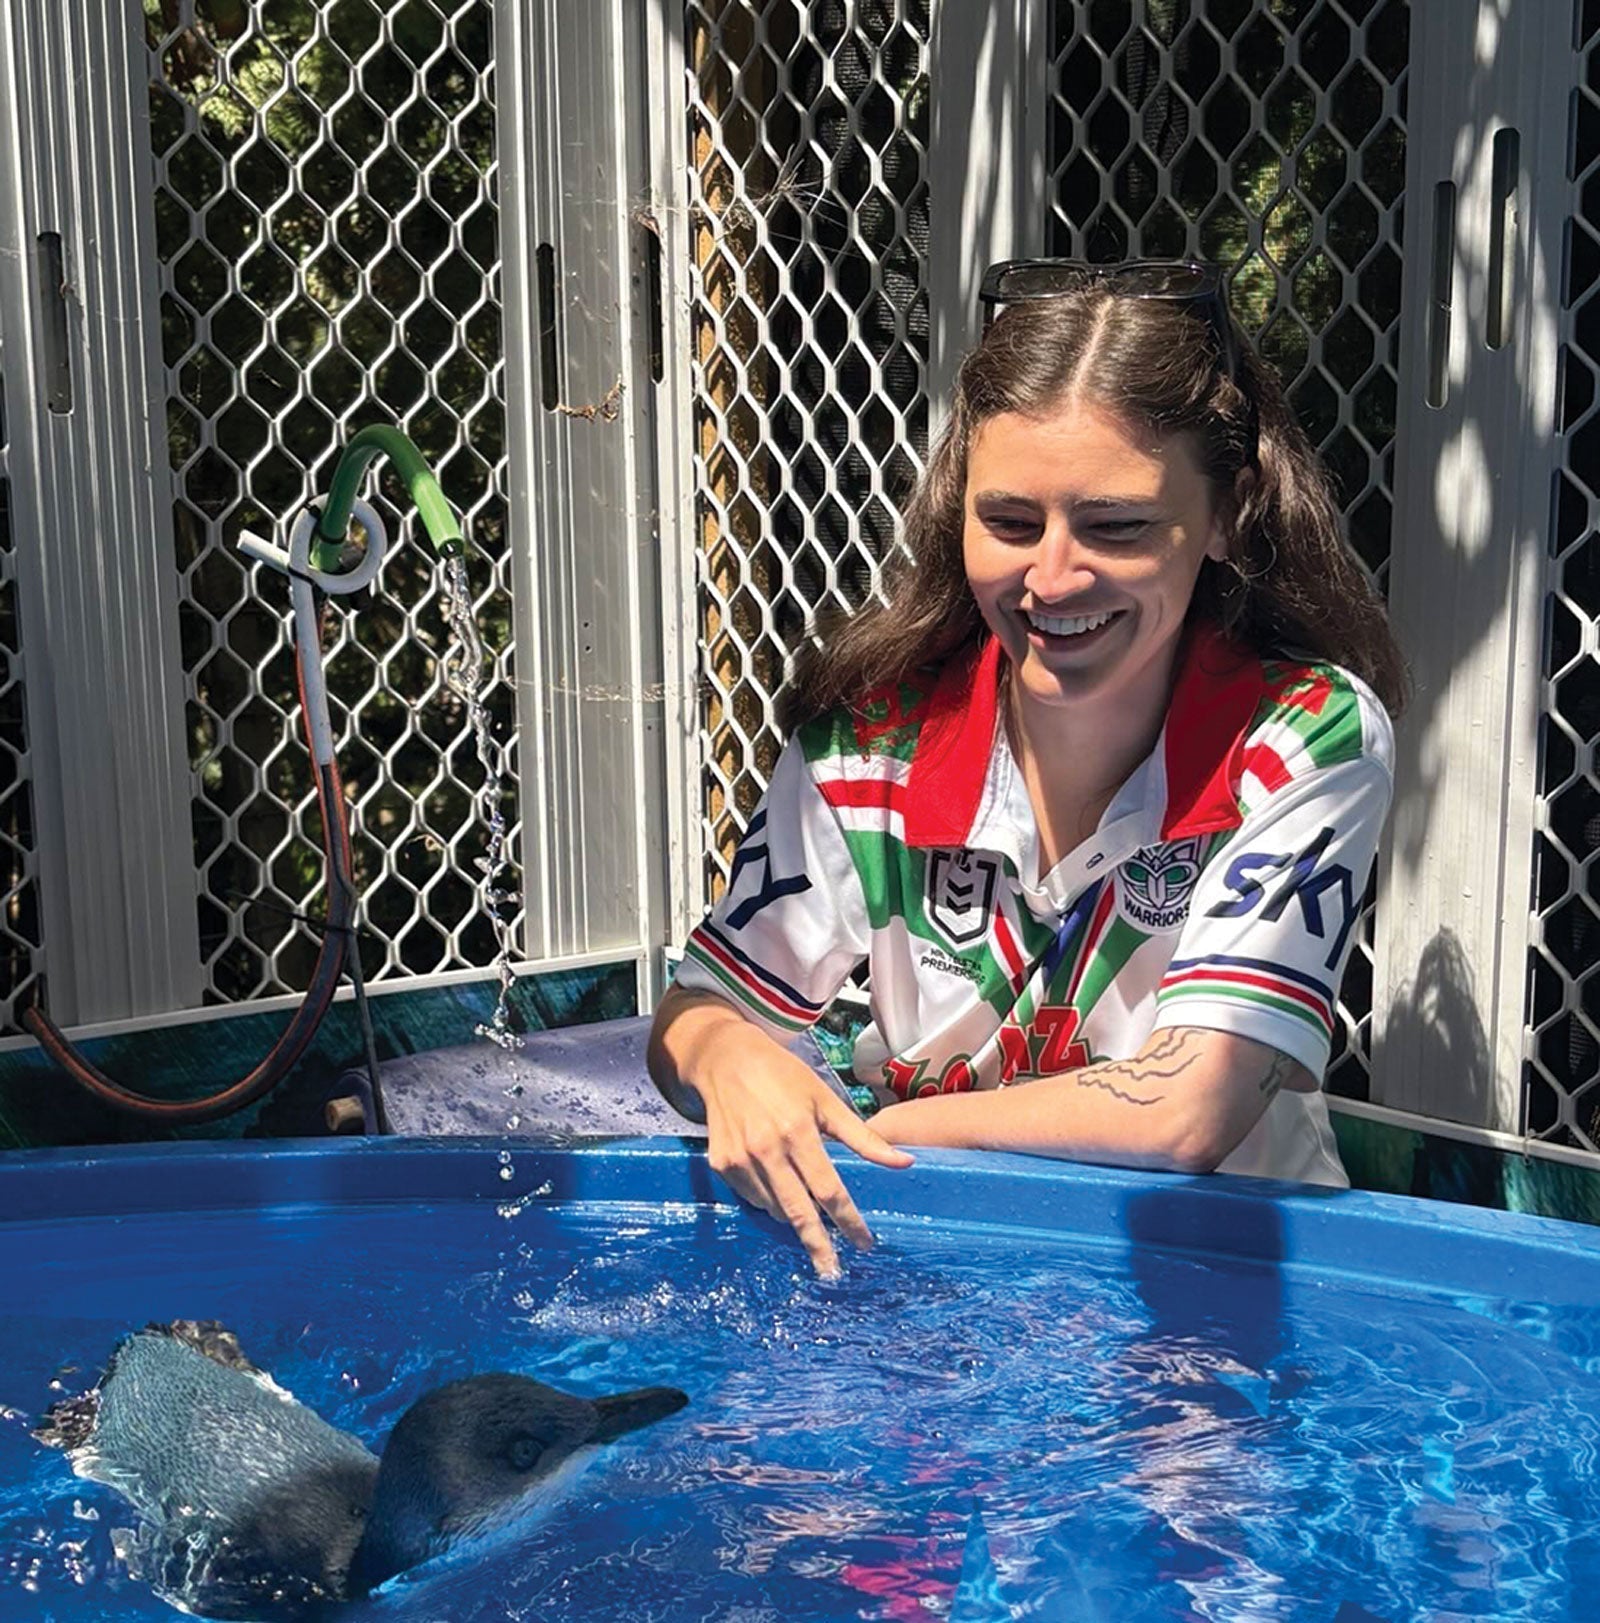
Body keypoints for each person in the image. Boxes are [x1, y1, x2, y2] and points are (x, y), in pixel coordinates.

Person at [647, 259, 1407, 1278]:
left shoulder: (1302, 735)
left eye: (1117, 526)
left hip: (1210, 1285)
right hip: (939, 1268)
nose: (1050, 579)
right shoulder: (863, 744)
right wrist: (725, 1055)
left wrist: (866, 1135)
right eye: (1008, 522)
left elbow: (1189, 1108)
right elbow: (703, 1013)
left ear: (1226, 515)